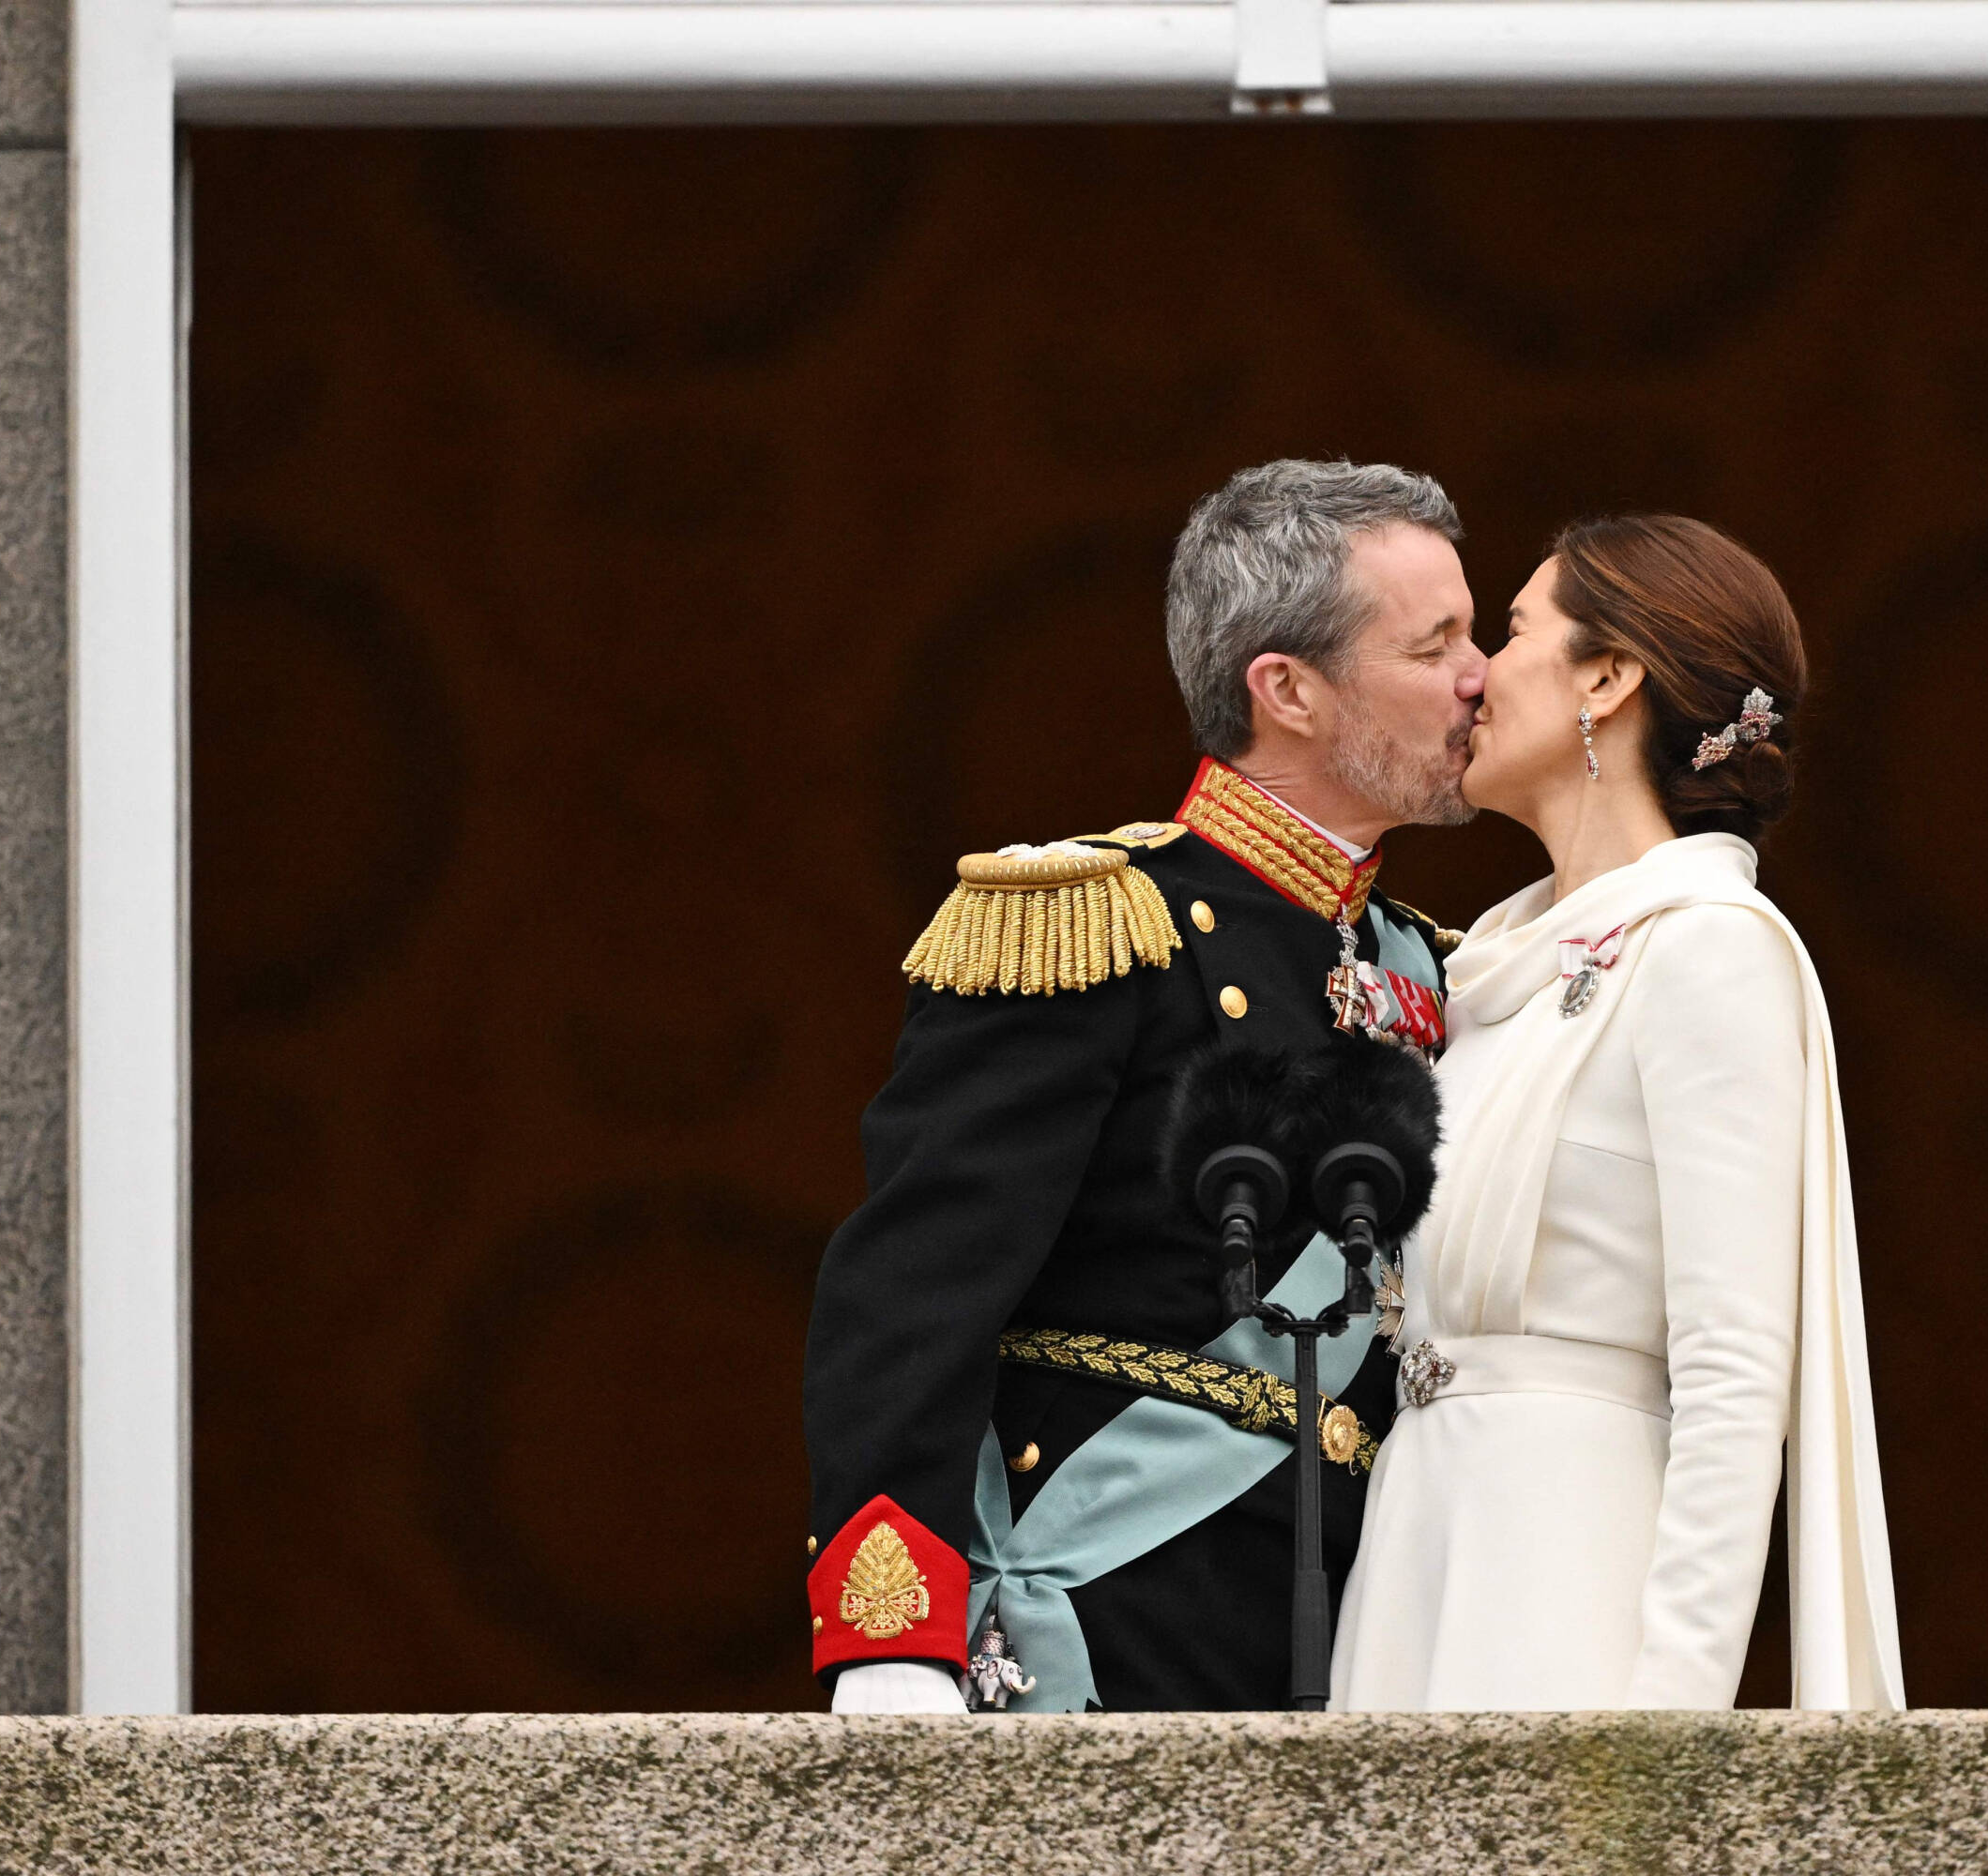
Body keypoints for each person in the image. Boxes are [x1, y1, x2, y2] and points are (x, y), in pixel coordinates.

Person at [804, 460, 1485, 1715]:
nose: (1480, 675)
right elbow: (911, 1287)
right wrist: (891, 1637)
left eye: (1476, 634)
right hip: (1116, 1619)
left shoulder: (1439, 965)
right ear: (1286, 688)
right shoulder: (1093, 923)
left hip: (1373, 1636)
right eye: (1435, 643)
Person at [1329, 514, 1903, 1712]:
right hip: (1415, 1553)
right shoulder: (1487, 969)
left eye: (1517, 629)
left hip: (1569, 1577)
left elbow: (1736, 1367)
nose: (1475, 670)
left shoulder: (1706, 950)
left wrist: (1673, 1720)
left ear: (1606, 675)